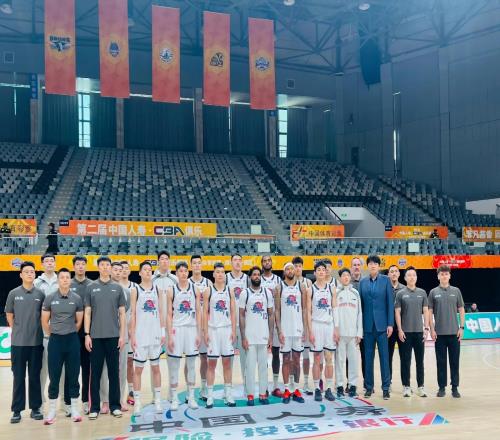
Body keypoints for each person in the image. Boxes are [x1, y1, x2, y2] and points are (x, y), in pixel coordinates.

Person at [84, 256, 126, 419]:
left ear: (110, 268)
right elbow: (88, 312)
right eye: (102, 265)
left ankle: (115, 406)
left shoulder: (117, 288)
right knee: (95, 374)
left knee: (114, 373)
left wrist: (122, 335)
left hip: (114, 337)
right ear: (98, 267)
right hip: (95, 337)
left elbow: (122, 314)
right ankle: (94, 407)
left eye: (108, 265)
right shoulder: (91, 287)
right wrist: (87, 335)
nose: (105, 267)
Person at [41, 268, 84, 424]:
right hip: (55, 342)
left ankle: (74, 409)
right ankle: (52, 410)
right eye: (62, 277)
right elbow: (44, 321)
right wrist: (54, 333)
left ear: (70, 280)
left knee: (73, 376)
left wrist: (69, 332)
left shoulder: (77, 298)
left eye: (67, 277)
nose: (65, 279)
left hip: (72, 341)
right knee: (54, 377)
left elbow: (78, 322)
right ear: (58, 280)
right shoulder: (50, 298)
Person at [5, 261, 44, 424]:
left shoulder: (40, 294)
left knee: (34, 377)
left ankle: (35, 408)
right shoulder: (13, 293)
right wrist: (18, 330)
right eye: (26, 271)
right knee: (18, 377)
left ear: (35, 274)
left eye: (32, 272)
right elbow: (9, 315)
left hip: (36, 343)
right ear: (21, 274)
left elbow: (44, 316)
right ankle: (17, 410)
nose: (29, 274)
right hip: (18, 344)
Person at [129, 261, 165, 415]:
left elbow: (161, 311)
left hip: (155, 335)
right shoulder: (135, 290)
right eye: (145, 269)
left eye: (150, 270)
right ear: (140, 273)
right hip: (141, 335)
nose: (148, 272)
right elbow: (133, 314)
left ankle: (157, 399)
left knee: (156, 368)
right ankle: (137, 401)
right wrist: (132, 335)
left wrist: (163, 332)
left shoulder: (157, 289)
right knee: (138, 370)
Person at [166, 261, 201, 411]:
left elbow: (198, 312)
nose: (183, 273)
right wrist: (169, 336)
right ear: (176, 273)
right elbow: (169, 314)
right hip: (177, 329)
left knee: (191, 365)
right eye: (180, 271)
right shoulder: (171, 290)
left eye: (185, 271)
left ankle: (191, 396)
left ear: (188, 272)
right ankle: (174, 398)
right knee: (174, 365)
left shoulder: (195, 289)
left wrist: (199, 333)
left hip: (191, 330)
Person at [358, 255, 393, 399]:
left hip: (382, 326)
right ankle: (368, 387)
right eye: (370, 263)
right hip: (367, 326)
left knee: (384, 358)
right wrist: (359, 327)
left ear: (379, 266)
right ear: (367, 266)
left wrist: (390, 324)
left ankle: (386, 388)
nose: (373, 265)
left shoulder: (386, 280)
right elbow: (360, 306)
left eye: (375, 263)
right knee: (368, 358)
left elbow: (390, 303)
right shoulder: (362, 282)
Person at [239, 266, 274, 406]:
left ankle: (263, 394)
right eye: (254, 274)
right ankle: (250, 395)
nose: (257, 276)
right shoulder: (245, 293)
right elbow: (241, 316)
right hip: (250, 337)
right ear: (250, 277)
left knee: (263, 367)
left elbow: (271, 315)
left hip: (264, 336)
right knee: (250, 368)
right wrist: (243, 337)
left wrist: (271, 336)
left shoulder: (267, 293)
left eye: (258, 274)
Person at [429, 265, 465, 398]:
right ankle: (441, 387)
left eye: (446, 274)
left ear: (449, 276)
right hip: (439, 334)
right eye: (442, 274)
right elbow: (429, 311)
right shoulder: (433, 292)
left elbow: (461, 309)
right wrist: (432, 329)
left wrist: (462, 327)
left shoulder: (456, 291)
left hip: (454, 334)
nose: (444, 276)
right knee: (441, 362)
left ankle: (455, 387)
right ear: (438, 276)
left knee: (455, 362)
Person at [204, 262, 236, 408]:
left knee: (227, 363)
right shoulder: (208, 290)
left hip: (227, 330)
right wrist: (205, 332)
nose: (220, 274)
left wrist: (233, 331)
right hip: (213, 330)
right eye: (217, 272)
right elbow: (204, 313)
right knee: (211, 363)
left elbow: (233, 312)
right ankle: (210, 395)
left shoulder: (230, 290)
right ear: (213, 274)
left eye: (222, 272)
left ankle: (228, 394)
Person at [274, 262, 307, 404]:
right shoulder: (279, 287)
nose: (290, 270)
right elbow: (277, 310)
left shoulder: (302, 286)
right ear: (284, 271)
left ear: (295, 270)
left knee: (297, 360)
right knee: (286, 359)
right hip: (285, 330)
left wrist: (305, 328)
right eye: (287, 269)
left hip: (298, 329)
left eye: (292, 268)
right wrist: (279, 330)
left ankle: (296, 388)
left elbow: (305, 309)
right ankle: (287, 389)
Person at [306, 260, 339, 402]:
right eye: (318, 269)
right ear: (315, 273)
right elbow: (308, 312)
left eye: (323, 269)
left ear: (326, 272)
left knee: (329, 358)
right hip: (316, 325)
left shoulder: (331, 288)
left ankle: (329, 388)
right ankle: (317, 389)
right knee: (317, 359)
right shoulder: (310, 289)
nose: (321, 272)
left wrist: (336, 328)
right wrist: (310, 331)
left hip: (329, 325)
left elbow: (335, 308)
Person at [395, 266, 429, 398]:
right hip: (406, 333)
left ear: (416, 277)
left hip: (419, 332)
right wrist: (400, 329)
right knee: (406, 361)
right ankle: (406, 386)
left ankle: (421, 387)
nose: (411, 277)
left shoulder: (422, 293)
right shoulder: (400, 294)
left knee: (420, 361)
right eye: (409, 275)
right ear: (405, 278)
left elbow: (425, 311)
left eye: (414, 275)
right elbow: (397, 312)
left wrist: (426, 328)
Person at [34, 253, 60, 407]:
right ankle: (40, 401)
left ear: (55, 263)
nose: (50, 263)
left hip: (59, 332)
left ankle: (64, 402)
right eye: (47, 261)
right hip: (41, 333)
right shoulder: (36, 282)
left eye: (52, 261)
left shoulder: (62, 280)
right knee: (41, 368)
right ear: (42, 264)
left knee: (60, 369)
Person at [152, 250, 178, 400]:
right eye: (161, 259)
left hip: (171, 325)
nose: (164, 261)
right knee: (154, 363)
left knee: (172, 360)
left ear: (169, 261)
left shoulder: (175, 280)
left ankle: (172, 393)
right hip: (154, 326)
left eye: (167, 259)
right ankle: (155, 396)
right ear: (158, 261)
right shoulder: (152, 279)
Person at [70, 256, 93, 415]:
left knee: (87, 369)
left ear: (86, 266)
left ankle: (86, 401)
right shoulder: (67, 283)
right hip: (71, 332)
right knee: (72, 369)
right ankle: (70, 402)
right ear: (73, 266)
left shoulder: (92, 285)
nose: (80, 266)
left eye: (83, 264)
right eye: (77, 264)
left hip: (88, 333)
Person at [335, 268, 363, 398]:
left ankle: (352, 386)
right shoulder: (336, 292)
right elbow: (334, 313)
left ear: (350, 277)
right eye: (343, 275)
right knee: (339, 361)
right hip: (340, 334)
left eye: (348, 275)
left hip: (353, 334)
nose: (346, 277)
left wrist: (359, 332)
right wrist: (335, 331)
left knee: (353, 361)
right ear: (340, 278)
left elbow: (360, 313)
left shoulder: (355, 293)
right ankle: (339, 386)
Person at [189, 255, 212, 401]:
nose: (197, 265)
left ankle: (203, 388)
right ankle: (189, 389)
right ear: (191, 266)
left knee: (204, 358)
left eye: (199, 263)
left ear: (201, 265)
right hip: (190, 324)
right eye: (194, 263)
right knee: (189, 359)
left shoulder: (208, 283)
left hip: (204, 325)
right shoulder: (186, 283)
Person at [226, 253, 249, 395]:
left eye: (240, 260)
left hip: (243, 325)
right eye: (235, 260)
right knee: (228, 358)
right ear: (231, 262)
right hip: (228, 324)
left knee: (245, 358)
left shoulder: (247, 279)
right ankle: (227, 388)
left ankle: (247, 386)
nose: (238, 262)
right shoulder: (226, 278)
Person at [260, 255, 281, 397]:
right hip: (261, 320)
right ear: (262, 263)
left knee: (276, 353)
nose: (267, 263)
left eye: (269, 261)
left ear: (272, 263)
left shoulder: (278, 280)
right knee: (263, 355)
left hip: (274, 320)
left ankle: (275, 385)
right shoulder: (257, 279)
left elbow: (279, 303)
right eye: (265, 261)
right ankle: (264, 386)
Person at [292, 256, 313, 395]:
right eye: (296, 266)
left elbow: (309, 306)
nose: (298, 268)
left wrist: (307, 327)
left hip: (304, 323)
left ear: (302, 267)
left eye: (300, 266)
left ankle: (305, 382)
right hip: (292, 323)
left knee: (305, 355)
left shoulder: (308, 282)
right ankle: (293, 383)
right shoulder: (288, 283)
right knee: (293, 356)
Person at [119, 261, 137, 407]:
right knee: (117, 364)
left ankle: (131, 392)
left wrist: (132, 329)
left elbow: (136, 311)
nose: (124, 271)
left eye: (126, 268)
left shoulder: (134, 287)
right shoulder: (114, 287)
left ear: (130, 271)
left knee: (130, 362)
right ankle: (116, 395)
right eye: (122, 268)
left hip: (131, 330)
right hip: (116, 331)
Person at [387, 265, 405, 388]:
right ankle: (388, 382)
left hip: (402, 329)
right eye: (391, 272)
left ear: (399, 274)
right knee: (388, 357)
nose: (394, 273)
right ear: (388, 274)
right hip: (389, 328)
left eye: (396, 271)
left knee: (404, 357)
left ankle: (405, 384)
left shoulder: (404, 289)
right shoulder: (385, 288)